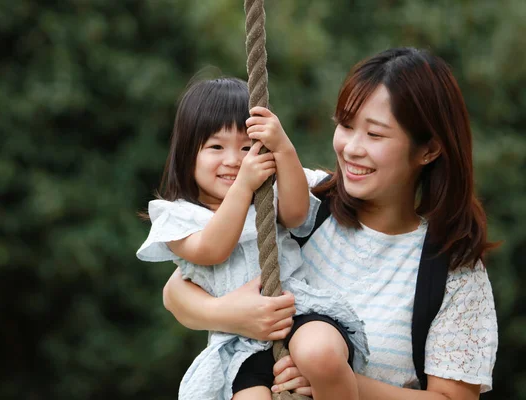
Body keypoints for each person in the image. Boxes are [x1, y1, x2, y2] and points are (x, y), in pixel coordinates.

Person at [163, 48, 499, 399]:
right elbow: (181, 285)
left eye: (375, 134)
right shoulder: (299, 199)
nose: (352, 148)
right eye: (346, 125)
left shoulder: (452, 269)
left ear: (428, 150)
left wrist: (336, 381)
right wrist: (229, 314)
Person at [136, 77, 369, 400]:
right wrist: (243, 186)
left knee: (322, 354)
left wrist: (283, 148)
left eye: (247, 148)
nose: (234, 160)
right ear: (188, 153)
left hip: (296, 311)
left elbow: (297, 214)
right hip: (239, 341)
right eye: (216, 147)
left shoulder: (264, 194)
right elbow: (212, 250)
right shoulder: (176, 216)